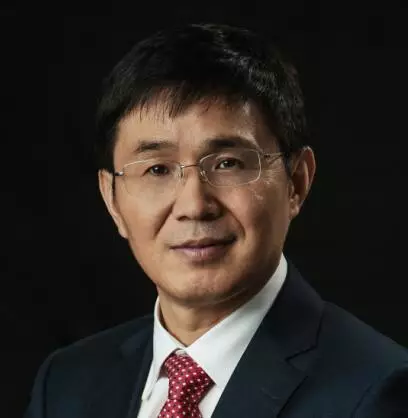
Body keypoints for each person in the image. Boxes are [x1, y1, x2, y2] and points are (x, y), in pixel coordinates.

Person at [26, 23, 408, 418]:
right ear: (112, 200)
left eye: (228, 163)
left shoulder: (378, 392)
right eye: (157, 169)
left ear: (296, 182)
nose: (194, 205)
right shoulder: (66, 384)